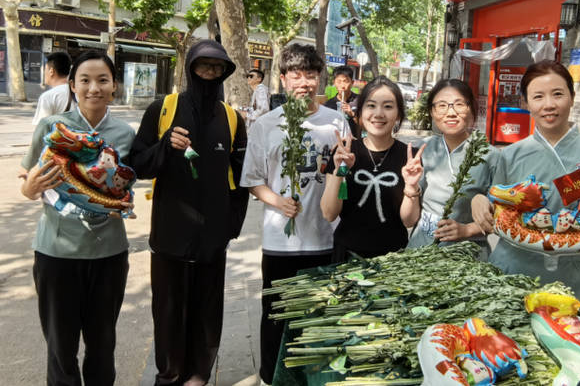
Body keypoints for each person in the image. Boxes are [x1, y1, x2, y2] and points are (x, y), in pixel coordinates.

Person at [472, 60, 580, 316]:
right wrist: (478, 199)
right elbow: (496, 206)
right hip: (511, 276)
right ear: (526, 103)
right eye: (538, 96)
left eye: (558, 94)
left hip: (571, 281)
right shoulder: (508, 156)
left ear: (572, 98)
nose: (549, 105)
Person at [129, 40, 248, 386]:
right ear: (190, 68)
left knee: (208, 313)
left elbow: (241, 177)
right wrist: (165, 147)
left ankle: (199, 375)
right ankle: (169, 376)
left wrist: (230, 228)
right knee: (167, 314)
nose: (210, 73)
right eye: (203, 66)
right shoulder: (162, 110)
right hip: (170, 237)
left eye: (216, 68)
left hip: (213, 240)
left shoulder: (231, 118)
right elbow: (138, 164)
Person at [20, 50, 135, 386]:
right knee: (60, 348)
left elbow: (125, 188)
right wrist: (29, 189)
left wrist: (123, 201)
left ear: (114, 86)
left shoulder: (125, 134)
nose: (93, 88)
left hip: (109, 255)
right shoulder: (52, 128)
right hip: (56, 253)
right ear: (72, 85)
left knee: (102, 345)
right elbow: (26, 180)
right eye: (84, 80)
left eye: (102, 80)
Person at [240, 43, 349, 386]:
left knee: (318, 317)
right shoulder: (265, 125)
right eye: (296, 75)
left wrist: (341, 179)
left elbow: (345, 179)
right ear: (284, 79)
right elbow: (253, 181)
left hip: (323, 238)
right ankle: (271, 379)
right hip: (279, 243)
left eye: (311, 75)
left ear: (320, 79)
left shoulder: (337, 122)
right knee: (274, 317)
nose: (304, 82)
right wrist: (277, 201)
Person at [400, 79, 499, 261]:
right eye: (442, 106)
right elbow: (408, 221)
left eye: (459, 104)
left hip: (467, 257)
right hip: (420, 252)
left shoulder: (490, 155)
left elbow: (505, 217)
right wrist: (411, 187)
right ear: (432, 111)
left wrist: (467, 229)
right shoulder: (424, 149)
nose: (451, 113)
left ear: (471, 109)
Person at [321, 76, 417, 262]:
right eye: (371, 106)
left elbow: (409, 221)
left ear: (398, 114)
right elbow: (329, 214)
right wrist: (340, 171)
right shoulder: (344, 152)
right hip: (348, 257)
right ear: (360, 112)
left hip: (393, 260)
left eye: (388, 106)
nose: (379, 113)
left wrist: (412, 186)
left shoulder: (409, 157)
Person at [33, 51, 72, 125]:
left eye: (45, 69)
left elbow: (41, 129)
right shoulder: (78, 93)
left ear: (51, 71)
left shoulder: (48, 96)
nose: (44, 73)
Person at [323, 66, 359, 137]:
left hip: (355, 143)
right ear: (334, 83)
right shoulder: (329, 105)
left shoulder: (360, 100)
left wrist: (352, 114)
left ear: (352, 82)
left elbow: (366, 126)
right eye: (339, 82)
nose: (342, 86)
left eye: (345, 81)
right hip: (335, 143)